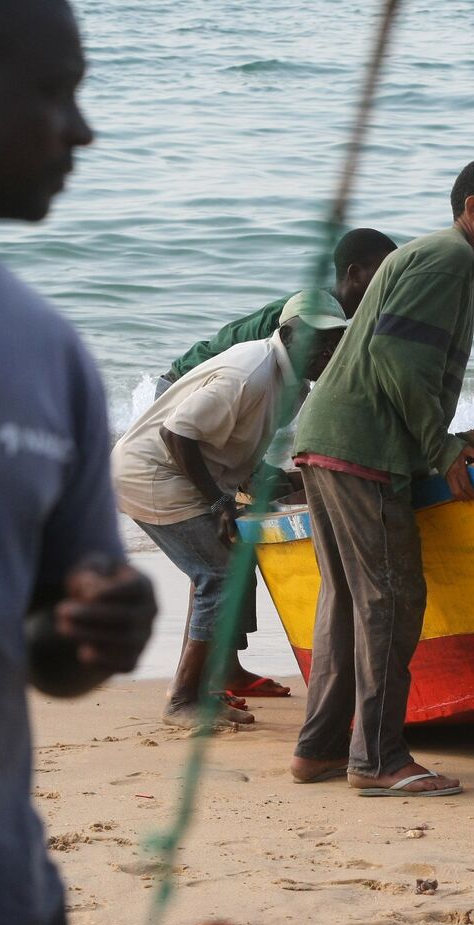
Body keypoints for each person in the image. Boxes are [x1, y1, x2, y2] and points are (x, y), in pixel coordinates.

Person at [0, 0, 157, 925]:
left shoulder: (46, 352)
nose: (82, 129)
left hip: (0, 894)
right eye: (55, 93)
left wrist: (99, 627)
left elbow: (50, 657)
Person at [287, 158, 474, 795]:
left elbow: (391, 356)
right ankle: (379, 759)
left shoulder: (438, 260)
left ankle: (319, 749)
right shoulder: (449, 258)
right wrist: (442, 450)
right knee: (391, 600)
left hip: (328, 438)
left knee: (348, 603)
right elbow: (398, 359)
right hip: (361, 448)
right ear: (471, 210)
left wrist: (441, 444)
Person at [112, 289, 348, 727]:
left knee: (222, 568)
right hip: (152, 474)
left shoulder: (291, 387)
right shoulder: (250, 372)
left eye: (336, 340)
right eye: (319, 340)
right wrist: (220, 501)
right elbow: (177, 435)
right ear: (289, 333)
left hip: (176, 473)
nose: (328, 350)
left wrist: (264, 479)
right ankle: (183, 700)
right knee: (219, 574)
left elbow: (232, 442)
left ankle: (203, 686)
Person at [154, 227, 397, 397]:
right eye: (385, 273)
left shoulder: (338, 313)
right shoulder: (306, 314)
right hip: (186, 382)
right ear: (354, 274)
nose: (393, 282)